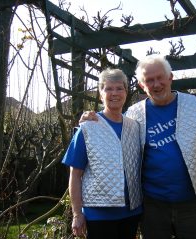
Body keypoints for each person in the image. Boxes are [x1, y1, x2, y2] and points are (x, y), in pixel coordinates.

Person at [80, 55, 196, 239]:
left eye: (159, 77)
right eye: (149, 80)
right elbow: (112, 125)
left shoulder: (193, 105)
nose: (156, 84)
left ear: (170, 77)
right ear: (142, 85)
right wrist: (91, 118)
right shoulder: (134, 113)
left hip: (193, 202)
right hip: (153, 205)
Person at [62, 68, 142, 239]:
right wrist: (77, 214)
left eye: (119, 88)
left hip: (131, 213)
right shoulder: (88, 128)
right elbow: (75, 175)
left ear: (126, 93)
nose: (114, 93)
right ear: (101, 94)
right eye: (108, 88)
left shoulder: (135, 127)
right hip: (99, 215)